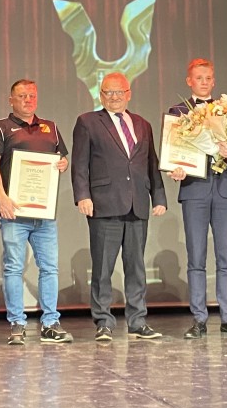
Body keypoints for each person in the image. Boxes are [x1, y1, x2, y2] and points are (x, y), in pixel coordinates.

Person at [71, 72, 168, 341]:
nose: (113, 97)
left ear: (128, 94)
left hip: (137, 204)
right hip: (104, 204)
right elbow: (80, 164)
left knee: (136, 267)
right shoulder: (88, 122)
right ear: (101, 95)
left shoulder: (142, 124)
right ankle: (103, 321)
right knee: (103, 268)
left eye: (118, 92)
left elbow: (151, 163)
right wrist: (83, 195)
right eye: (108, 92)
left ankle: (138, 321)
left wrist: (159, 197)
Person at [168, 59, 227, 338]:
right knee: (196, 258)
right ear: (189, 81)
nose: (204, 82)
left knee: (226, 258)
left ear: (214, 81)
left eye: (208, 78)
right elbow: (173, 151)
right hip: (194, 189)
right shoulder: (178, 112)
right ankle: (199, 319)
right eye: (199, 77)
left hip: (224, 189)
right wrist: (176, 168)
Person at [0, 79, 72, 345]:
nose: (28, 100)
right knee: (13, 268)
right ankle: (17, 324)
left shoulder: (50, 127)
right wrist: (2, 198)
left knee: (49, 268)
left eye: (32, 95)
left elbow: (61, 158)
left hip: (44, 213)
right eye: (22, 96)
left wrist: (63, 163)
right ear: (11, 100)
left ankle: (50, 323)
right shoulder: (1, 128)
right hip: (14, 212)